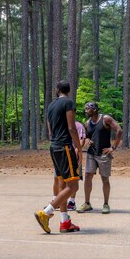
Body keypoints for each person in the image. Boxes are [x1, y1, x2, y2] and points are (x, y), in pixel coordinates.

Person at [34, 80, 82, 234]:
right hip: (65, 146)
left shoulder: (51, 106)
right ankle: (45, 212)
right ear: (69, 90)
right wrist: (79, 148)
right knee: (73, 186)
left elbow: (50, 130)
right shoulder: (68, 102)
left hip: (54, 146)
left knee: (62, 184)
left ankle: (65, 221)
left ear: (57, 90)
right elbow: (71, 127)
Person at [76, 101, 123, 214]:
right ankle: (87, 203)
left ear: (95, 109)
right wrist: (87, 140)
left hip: (104, 154)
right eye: (86, 108)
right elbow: (86, 136)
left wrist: (113, 147)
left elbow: (119, 130)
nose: (86, 110)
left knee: (104, 178)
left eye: (88, 108)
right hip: (92, 153)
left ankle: (106, 204)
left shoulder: (105, 119)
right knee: (87, 176)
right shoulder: (87, 123)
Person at [51, 120, 86, 211]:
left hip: (73, 155)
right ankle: (56, 201)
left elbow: (82, 139)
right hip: (61, 156)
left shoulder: (78, 126)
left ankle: (72, 202)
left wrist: (78, 150)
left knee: (73, 180)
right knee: (57, 178)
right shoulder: (61, 125)